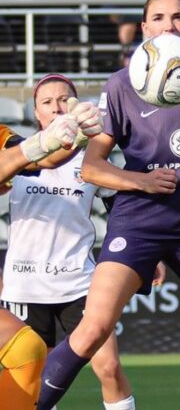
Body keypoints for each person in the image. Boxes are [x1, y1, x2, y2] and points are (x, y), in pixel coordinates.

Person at [35, 0, 180, 410]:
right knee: (92, 330)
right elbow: (92, 168)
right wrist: (141, 181)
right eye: (157, 18)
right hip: (136, 226)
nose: (168, 25)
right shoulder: (122, 84)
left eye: (178, 17)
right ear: (144, 29)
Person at [1, 74, 136, 410]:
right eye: (47, 102)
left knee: (109, 368)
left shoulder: (92, 160)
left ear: (76, 106)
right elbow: (45, 157)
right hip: (26, 285)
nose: (57, 107)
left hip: (79, 282)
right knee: (35, 375)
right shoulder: (18, 155)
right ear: (36, 113)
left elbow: (120, 211)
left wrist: (150, 256)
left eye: (64, 99)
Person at [0, 100, 101, 409]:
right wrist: (41, 142)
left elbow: (42, 160)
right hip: (25, 281)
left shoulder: (2, 135)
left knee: (28, 349)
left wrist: (73, 135)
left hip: (69, 279)